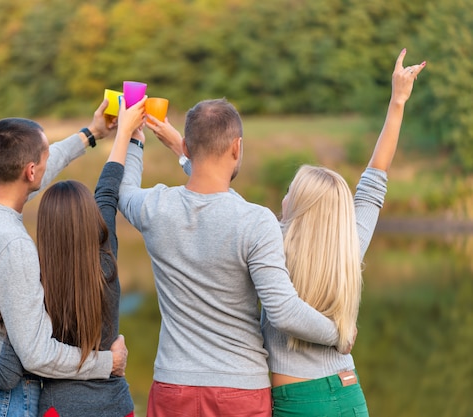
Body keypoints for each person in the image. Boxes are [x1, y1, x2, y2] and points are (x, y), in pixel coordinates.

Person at [119, 98, 350, 417]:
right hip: (240, 390)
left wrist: (133, 139)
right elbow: (283, 312)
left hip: (174, 386)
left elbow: (123, 189)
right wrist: (338, 333)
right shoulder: (256, 221)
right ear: (237, 147)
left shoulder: (155, 207)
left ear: (187, 146)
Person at [0, 97, 147, 417]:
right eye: (44, 158)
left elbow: (29, 169)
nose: (48, 161)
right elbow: (36, 355)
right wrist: (108, 362)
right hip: (6, 398)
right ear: (31, 171)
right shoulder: (16, 249)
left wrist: (91, 134)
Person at [261, 49, 425, 416]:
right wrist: (397, 102)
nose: (284, 196)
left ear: (299, 205)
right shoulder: (349, 242)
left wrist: (185, 152)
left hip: (300, 401)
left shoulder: (269, 242)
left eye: (290, 190)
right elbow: (374, 179)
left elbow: (222, 202)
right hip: (350, 393)